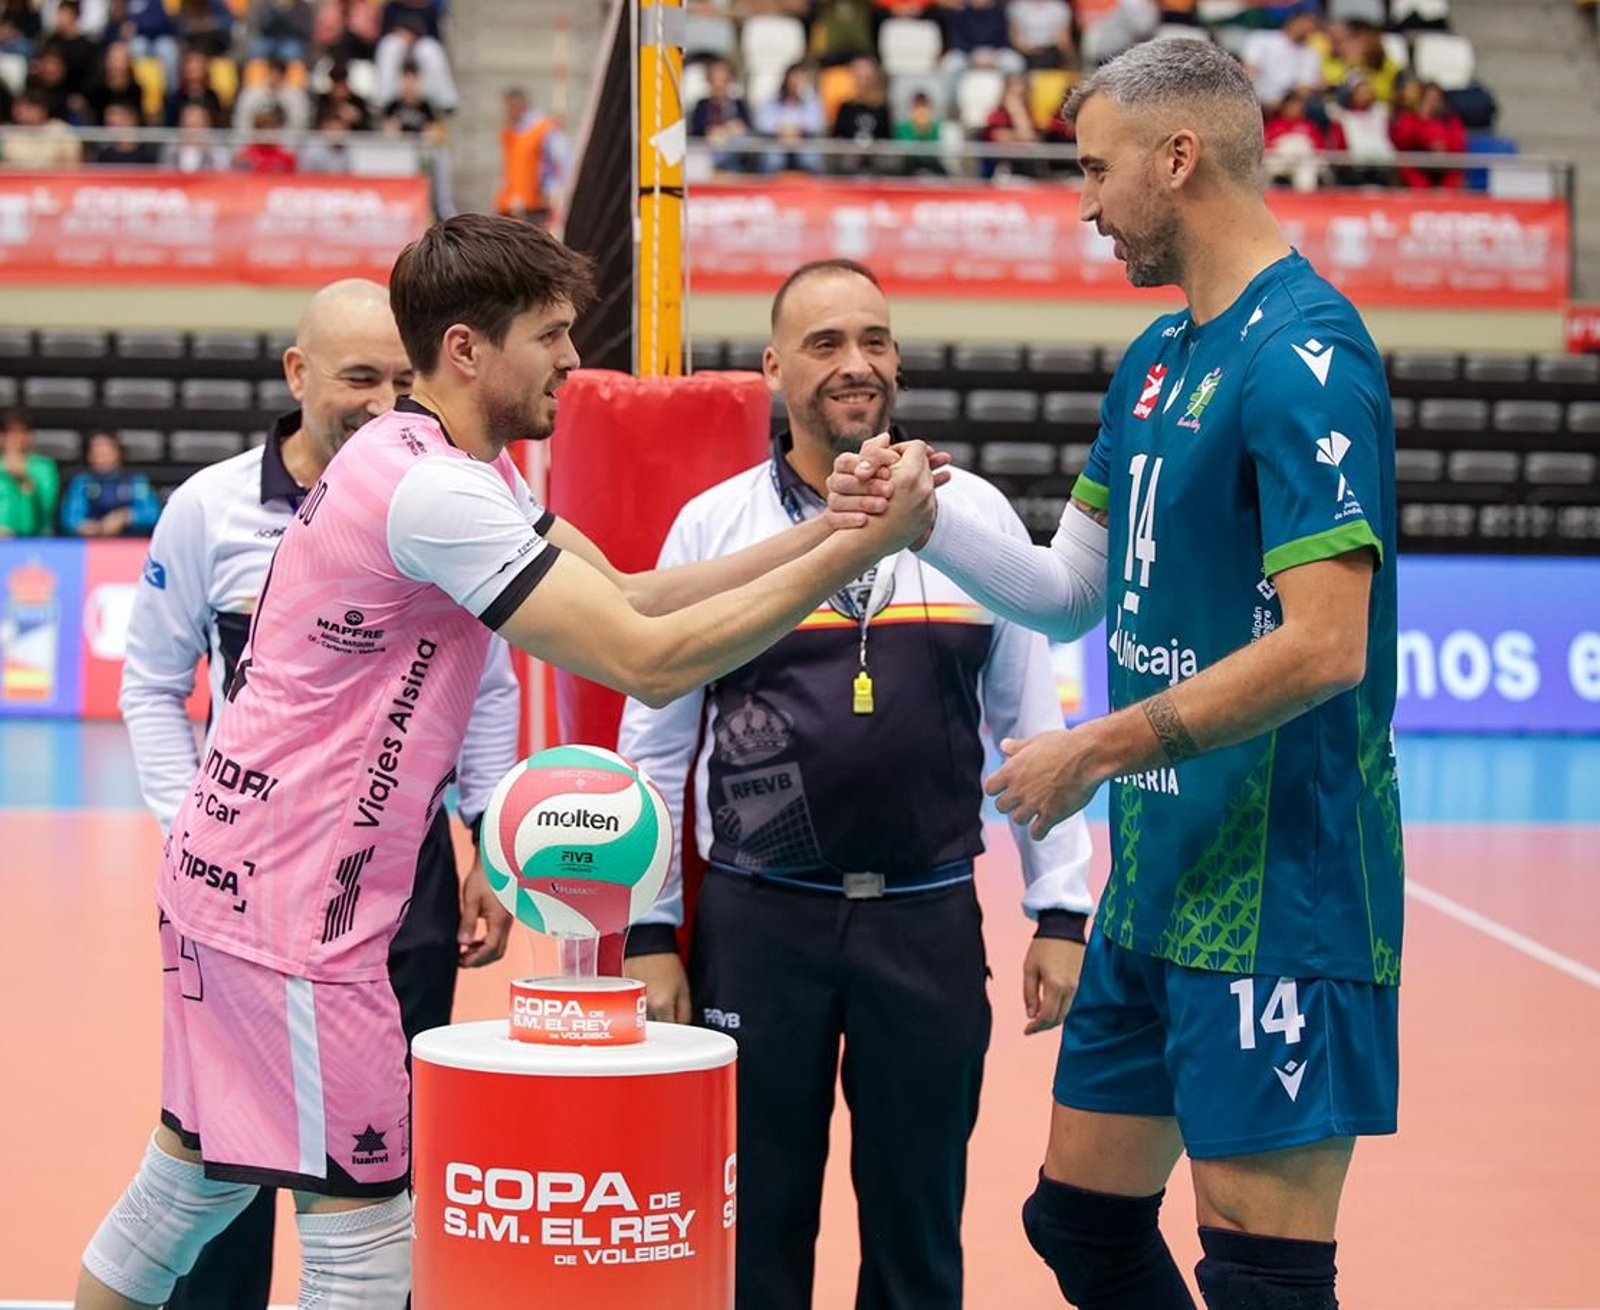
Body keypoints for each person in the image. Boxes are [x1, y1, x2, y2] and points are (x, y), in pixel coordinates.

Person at [76, 213, 935, 1310]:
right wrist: (864, 549)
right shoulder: (435, 493)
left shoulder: (450, 470)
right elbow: (650, 659)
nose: (575, 362)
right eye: (553, 334)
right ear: (471, 349)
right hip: (293, 910)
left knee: (187, 1184)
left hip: (247, 883)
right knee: (365, 1244)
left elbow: (630, 589)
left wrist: (830, 522)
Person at [832, 38, 1401, 1309]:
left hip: (1283, 894)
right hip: (1158, 879)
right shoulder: (1153, 358)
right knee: (1076, 1222)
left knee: (1260, 1269)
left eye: (1095, 169)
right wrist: (921, 517)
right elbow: (1066, 587)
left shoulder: (1309, 354)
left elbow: (1325, 643)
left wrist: (1092, 747)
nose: (1083, 202)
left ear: (1177, 156)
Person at [618, 258, 1094, 1310]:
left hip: (924, 921)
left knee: (918, 1232)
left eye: (874, 340)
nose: (856, 364)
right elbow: (651, 749)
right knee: (755, 1232)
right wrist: (648, 935)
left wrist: (1061, 905)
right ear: (774, 366)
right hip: (756, 922)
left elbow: (1031, 724)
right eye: (827, 343)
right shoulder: (715, 526)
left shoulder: (969, 516)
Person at [114, 278, 516, 1310]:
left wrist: (482, 837)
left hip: (403, 872)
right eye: (357, 377)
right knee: (227, 1175)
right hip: (255, 887)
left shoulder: (460, 489)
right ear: (297, 375)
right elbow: (153, 685)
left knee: (376, 1158)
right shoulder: (210, 508)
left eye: (401, 377)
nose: (385, 402)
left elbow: (491, 681)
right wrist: (185, 822)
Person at [494, 86, 569, 224]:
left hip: (535, 207)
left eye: (510, 108)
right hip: (512, 207)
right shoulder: (510, 133)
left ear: (519, 105)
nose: (507, 113)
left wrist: (553, 194)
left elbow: (559, 164)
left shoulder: (544, 130)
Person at [61, 431, 160, 534]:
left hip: (131, 543)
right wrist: (87, 526)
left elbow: (152, 514)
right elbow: (70, 519)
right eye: (96, 453)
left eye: (105, 453)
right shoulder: (82, 482)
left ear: (117, 453)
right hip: (90, 543)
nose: (100, 459)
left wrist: (125, 516)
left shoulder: (136, 481)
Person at [0, 411, 61, 537]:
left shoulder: (44, 467)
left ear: (30, 437)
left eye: (21, 433)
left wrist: (24, 477)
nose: (15, 438)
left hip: (36, 539)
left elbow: (47, 507)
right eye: (10, 433)